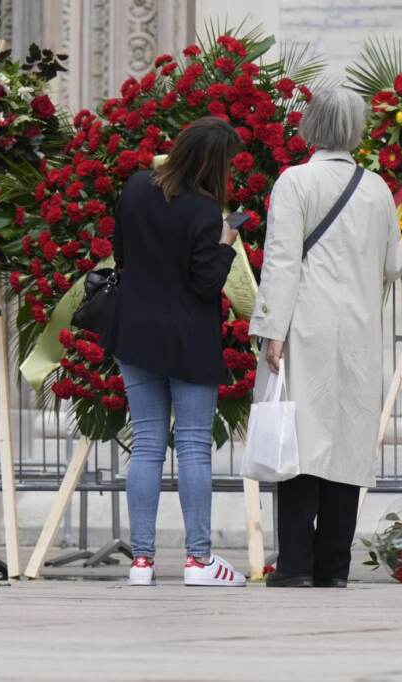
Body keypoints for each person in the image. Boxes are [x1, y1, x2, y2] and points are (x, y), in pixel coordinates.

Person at [250, 88, 402, 588]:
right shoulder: (377, 188)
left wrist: (271, 329)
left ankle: (295, 565)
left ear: (311, 126)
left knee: (299, 439)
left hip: (305, 324)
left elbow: (281, 260)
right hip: (359, 328)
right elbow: (394, 264)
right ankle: (334, 566)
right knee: (348, 440)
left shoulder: (295, 182)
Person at [104, 117, 246, 587]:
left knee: (145, 444)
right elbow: (206, 283)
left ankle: (141, 561)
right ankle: (198, 559)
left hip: (135, 330)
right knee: (191, 448)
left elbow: (120, 254)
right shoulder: (206, 213)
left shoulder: (137, 186)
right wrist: (227, 241)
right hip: (187, 336)